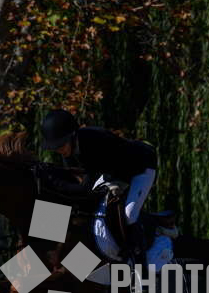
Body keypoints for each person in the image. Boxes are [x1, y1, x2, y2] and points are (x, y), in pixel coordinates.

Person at [39, 109, 157, 266]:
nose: (58, 150)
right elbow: (74, 189)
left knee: (129, 214)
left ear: (73, 136)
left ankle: (138, 261)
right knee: (84, 208)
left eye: (60, 145)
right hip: (112, 172)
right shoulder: (70, 150)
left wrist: (53, 182)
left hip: (140, 168)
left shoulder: (92, 143)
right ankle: (49, 257)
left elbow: (84, 189)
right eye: (55, 146)